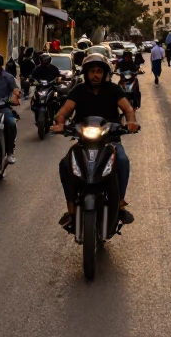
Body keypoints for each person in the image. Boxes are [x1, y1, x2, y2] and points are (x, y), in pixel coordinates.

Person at [52, 54, 140, 230]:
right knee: (64, 164)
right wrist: (60, 122)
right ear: (86, 73)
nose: (96, 75)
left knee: (122, 161)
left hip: (110, 140)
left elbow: (128, 109)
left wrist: (131, 122)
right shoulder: (78, 90)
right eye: (92, 71)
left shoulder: (114, 90)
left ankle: (120, 201)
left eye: (99, 71)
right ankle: (71, 206)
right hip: (83, 141)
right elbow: (64, 111)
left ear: (105, 73)